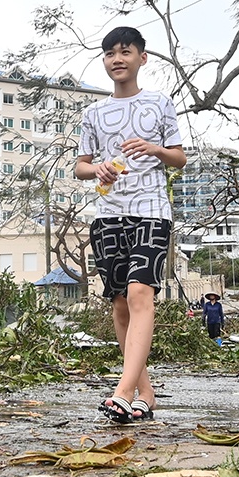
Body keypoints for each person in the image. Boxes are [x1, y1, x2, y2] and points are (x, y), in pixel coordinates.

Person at [75, 25, 186, 423]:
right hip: (108, 215)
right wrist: (98, 169)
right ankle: (145, 392)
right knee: (120, 304)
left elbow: (179, 158)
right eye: (110, 54)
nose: (117, 59)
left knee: (141, 293)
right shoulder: (93, 113)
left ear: (142, 57)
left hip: (151, 211)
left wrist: (154, 149)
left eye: (125, 52)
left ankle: (122, 392)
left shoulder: (160, 103)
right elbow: (80, 166)